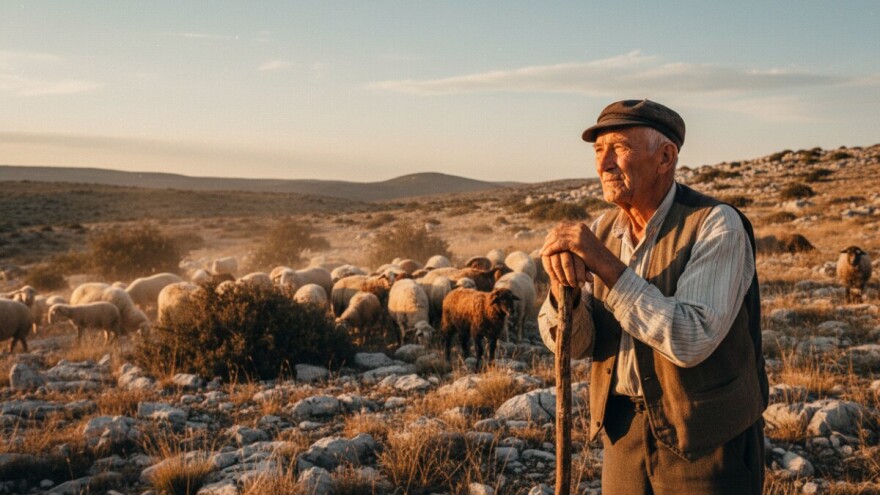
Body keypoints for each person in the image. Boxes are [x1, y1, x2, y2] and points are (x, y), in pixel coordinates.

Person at [538, 99, 768, 495]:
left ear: (665, 157)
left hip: (705, 440)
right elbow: (576, 345)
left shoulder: (716, 224)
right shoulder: (603, 229)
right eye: (598, 150)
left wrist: (606, 266)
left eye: (620, 148)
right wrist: (567, 297)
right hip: (622, 433)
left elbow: (690, 338)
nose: (604, 163)